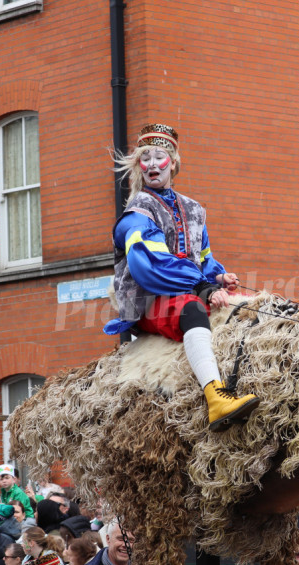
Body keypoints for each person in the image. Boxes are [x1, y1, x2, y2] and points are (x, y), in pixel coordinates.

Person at [104, 123, 260, 432]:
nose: (151, 164)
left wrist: (218, 276)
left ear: (173, 163)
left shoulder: (193, 209)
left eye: (158, 156)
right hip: (148, 299)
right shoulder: (137, 213)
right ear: (138, 165)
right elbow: (149, 264)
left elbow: (202, 257)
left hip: (189, 287)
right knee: (192, 310)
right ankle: (216, 397)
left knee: (250, 306)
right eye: (144, 157)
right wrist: (202, 288)